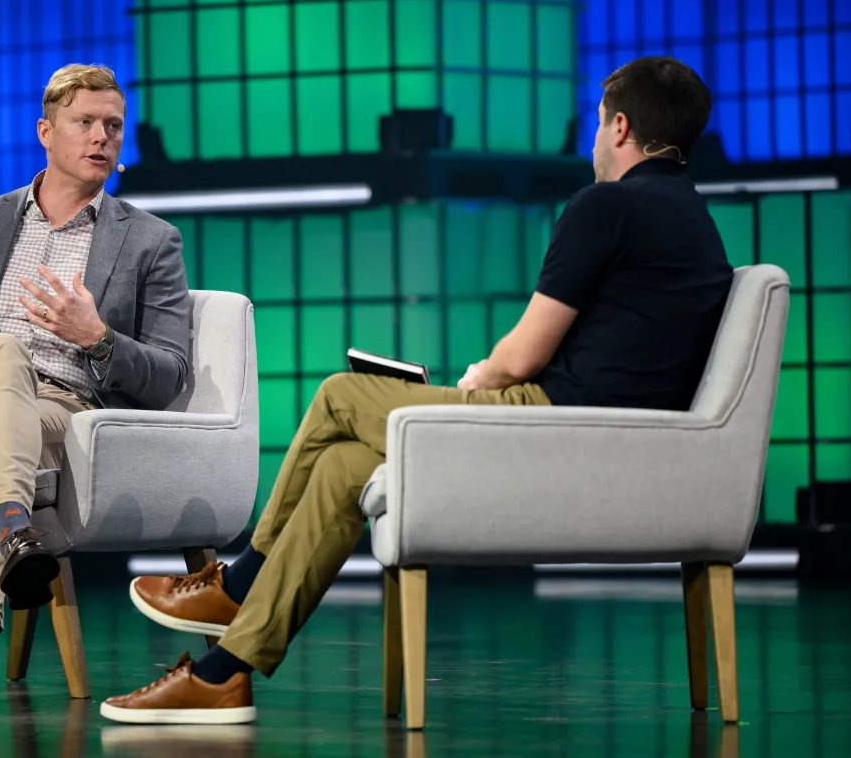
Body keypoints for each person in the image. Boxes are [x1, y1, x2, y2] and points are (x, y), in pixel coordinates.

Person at [100, 56, 735, 724]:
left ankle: (240, 580)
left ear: (622, 126)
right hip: (606, 436)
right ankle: (224, 673)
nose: (596, 139)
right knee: (347, 466)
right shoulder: (695, 221)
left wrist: (477, 377)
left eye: (600, 124)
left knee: (343, 394)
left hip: (552, 424)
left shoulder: (609, 204)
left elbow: (524, 354)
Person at [0, 63, 192, 710]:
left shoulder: (152, 241)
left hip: (56, 415)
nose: (102, 136)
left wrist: (96, 336)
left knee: (2, 427)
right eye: (85, 123)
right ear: (45, 131)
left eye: (113, 125)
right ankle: (16, 528)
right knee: (0, 353)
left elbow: (170, 373)